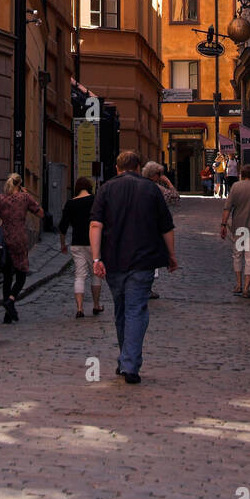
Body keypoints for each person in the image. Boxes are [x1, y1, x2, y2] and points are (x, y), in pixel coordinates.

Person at [90, 149, 177, 384]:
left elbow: (96, 225)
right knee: (136, 310)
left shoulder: (106, 189)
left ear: (117, 168)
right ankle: (129, 363)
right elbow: (166, 227)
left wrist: (96, 259)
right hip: (143, 261)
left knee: (121, 310)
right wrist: (171, 255)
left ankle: (126, 359)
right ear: (138, 167)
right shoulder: (151, 189)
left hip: (114, 261)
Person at [0, 173, 44, 322]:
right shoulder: (24, 197)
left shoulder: (1, 198)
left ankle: (7, 316)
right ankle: (11, 299)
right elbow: (40, 213)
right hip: (19, 239)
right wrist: (28, 195)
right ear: (19, 184)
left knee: (7, 277)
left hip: (5, 240)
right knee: (21, 274)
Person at [220, 163, 250, 299]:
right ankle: (247, 288)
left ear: (242, 174)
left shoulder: (236, 186)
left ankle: (238, 284)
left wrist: (223, 225)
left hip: (239, 227)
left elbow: (227, 208)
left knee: (238, 255)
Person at [58, 176, 103, 318]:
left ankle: (79, 308)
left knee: (79, 275)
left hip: (77, 243)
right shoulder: (95, 200)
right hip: (93, 243)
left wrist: (63, 243)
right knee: (95, 275)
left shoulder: (70, 203)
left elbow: (63, 226)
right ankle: (96, 305)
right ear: (89, 187)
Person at [141, 162, 179, 299]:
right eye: (160, 174)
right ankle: (147, 288)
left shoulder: (138, 185)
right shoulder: (156, 188)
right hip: (153, 228)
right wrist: (168, 182)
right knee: (152, 259)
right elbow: (174, 198)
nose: (161, 176)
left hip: (139, 226)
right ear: (155, 175)